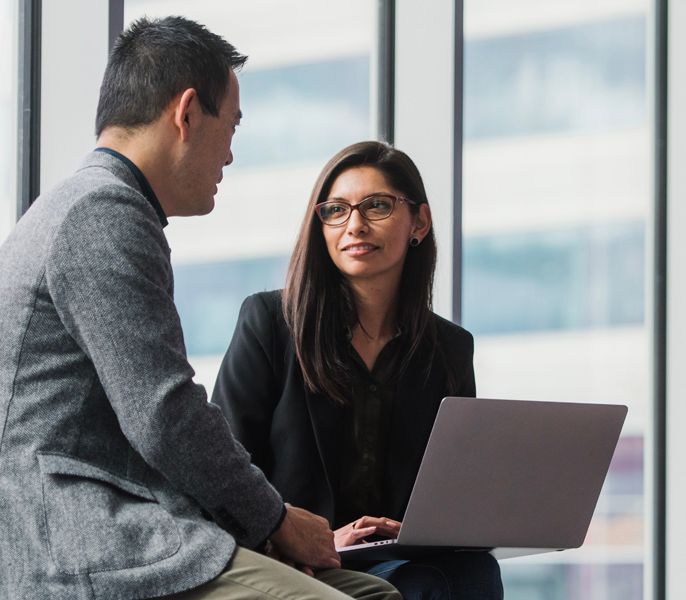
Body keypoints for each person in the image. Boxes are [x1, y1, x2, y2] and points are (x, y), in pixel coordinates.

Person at [0, 17, 401, 600]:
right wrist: (276, 521)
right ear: (187, 113)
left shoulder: (86, 207)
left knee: (376, 593)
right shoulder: (102, 215)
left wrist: (265, 530)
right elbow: (164, 417)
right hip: (78, 543)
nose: (231, 155)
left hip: (123, 526)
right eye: (230, 126)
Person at [211, 140, 504, 599]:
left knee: (474, 573)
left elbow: (451, 490)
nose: (355, 225)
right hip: (294, 556)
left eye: (377, 206)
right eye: (336, 211)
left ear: (419, 223)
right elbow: (225, 470)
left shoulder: (449, 349)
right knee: (423, 586)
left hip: (398, 554)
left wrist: (418, 528)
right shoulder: (269, 324)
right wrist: (309, 536)